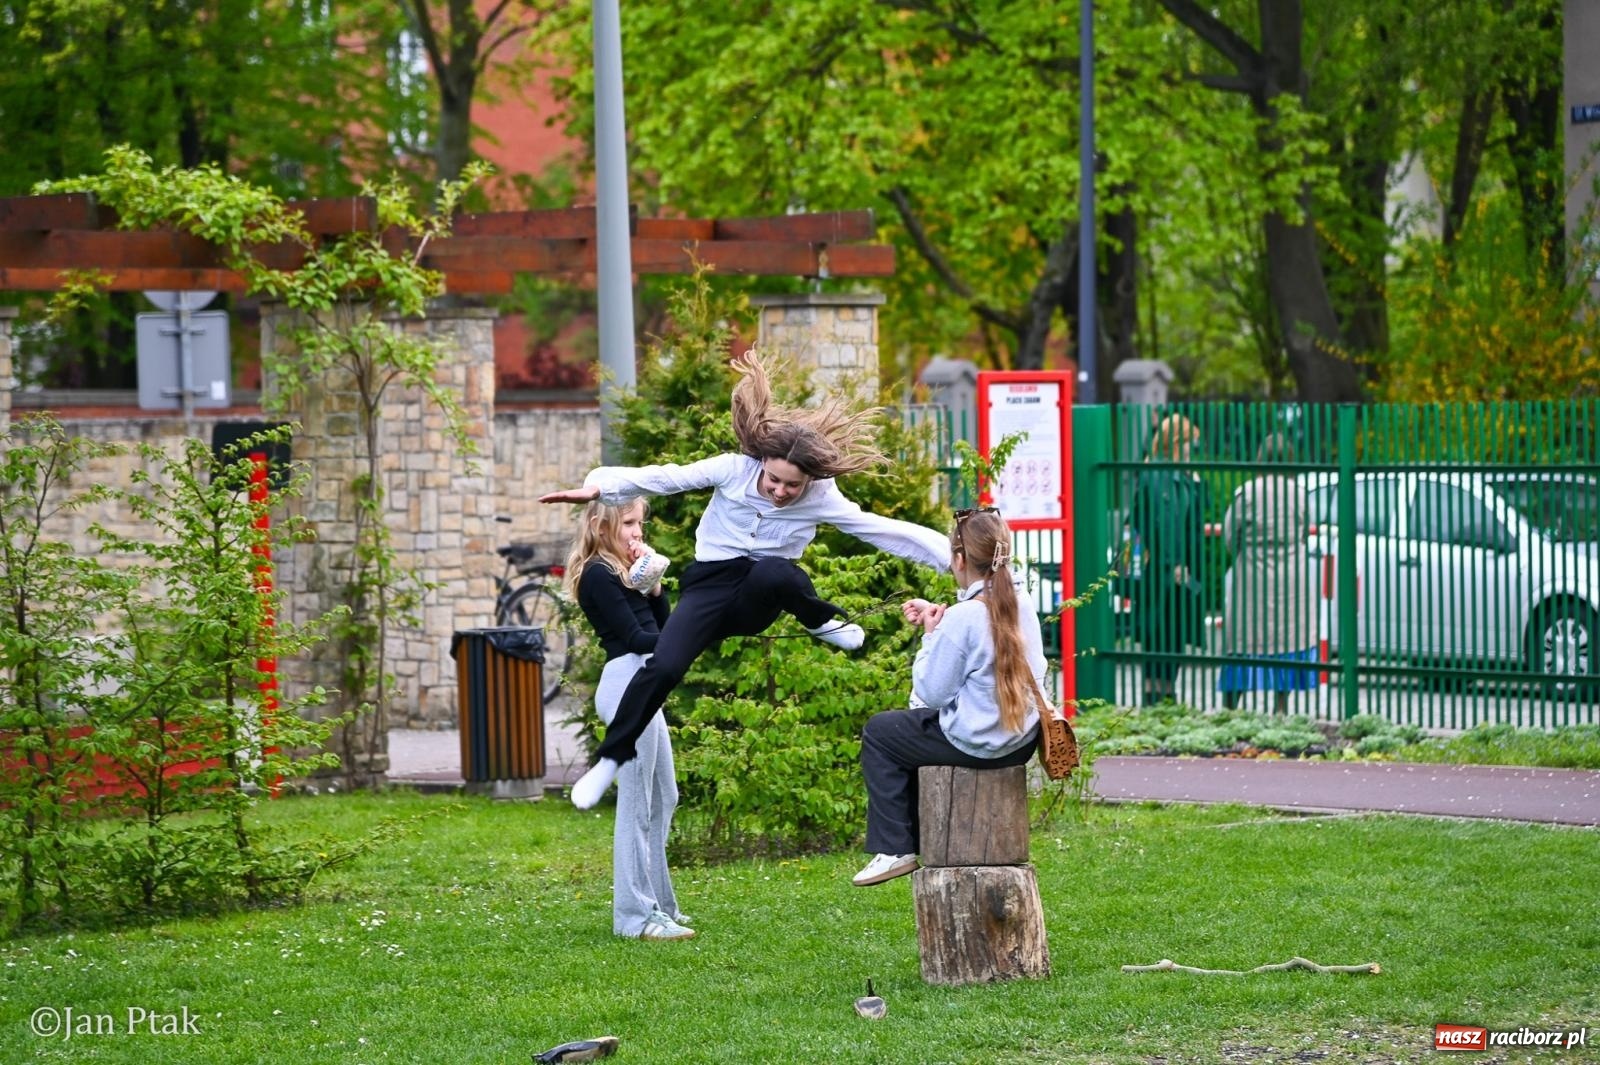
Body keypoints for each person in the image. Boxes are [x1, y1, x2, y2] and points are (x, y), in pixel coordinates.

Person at [540, 352, 951, 810]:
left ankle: (820, 622)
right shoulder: (732, 470)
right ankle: (611, 760)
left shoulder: (822, 496)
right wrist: (601, 488)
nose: (780, 493)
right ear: (762, 463)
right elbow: (667, 478)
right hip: (709, 588)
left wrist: (953, 558)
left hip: (761, 594)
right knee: (664, 665)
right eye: (774, 480)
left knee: (778, 570)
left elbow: (880, 528)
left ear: (809, 482)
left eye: (791, 487)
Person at [853, 508, 1048, 886]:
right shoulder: (1021, 602)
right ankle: (913, 837)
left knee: (881, 733)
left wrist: (931, 636)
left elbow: (931, 693)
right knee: (907, 731)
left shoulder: (964, 618)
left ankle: (896, 848)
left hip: (977, 743)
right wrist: (943, 622)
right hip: (1019, 741)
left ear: (959, 559)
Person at [564, 498, 694, 941]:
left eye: (641, 523)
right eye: (630, 523)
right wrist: (686, 638)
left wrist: (656, 587)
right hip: (625, 683)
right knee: (637, 803)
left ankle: (661, 905)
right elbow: (638, 638)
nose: (638, 532)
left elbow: (663, 623)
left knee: (665, 795)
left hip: (644, 682)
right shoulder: (598, 574)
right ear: (603, 525)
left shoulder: (629, 571)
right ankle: (634, 918)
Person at [1218, 434, 1319, 711]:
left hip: (1252, 575)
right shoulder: (1299, 493)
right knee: (1287, 638)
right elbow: (1304, 532)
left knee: (1243, 639)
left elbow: (1230, 536)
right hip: (1292, 578)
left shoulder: (1247, 493)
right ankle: (1281, 706)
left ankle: (1230, 706)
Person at [1129, 413, 1207, 706]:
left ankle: (1163, 699)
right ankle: (1159, 701)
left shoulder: (1175, 474)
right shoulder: (1162, 476)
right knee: (1163, 638)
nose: (1193, 449)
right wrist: (1175, 564)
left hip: (1167, 570)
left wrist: (1195, 483)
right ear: (1177, 442)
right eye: (1190, 442)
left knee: (1167, 639)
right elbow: (1167, 523)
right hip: (1165, 573)